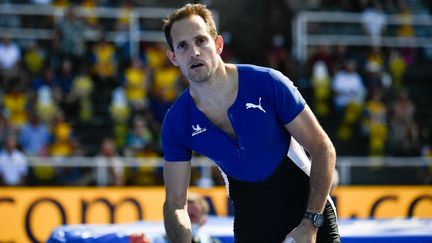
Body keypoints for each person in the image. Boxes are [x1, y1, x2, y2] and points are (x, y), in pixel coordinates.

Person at [161, 4, 340, 243]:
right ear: (173, 57)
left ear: (218, 45)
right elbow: (175, 204)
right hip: (252, 224)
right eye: (182, 46)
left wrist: (310, 223)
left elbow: (322, 147)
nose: (194, 52)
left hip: (308, 215)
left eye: (201, 41)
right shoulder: (177, 121)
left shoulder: (267, 83)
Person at [154, 193, 221, 243]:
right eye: (180, 217)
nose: (185, 220)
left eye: (191, 216)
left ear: (203, 220)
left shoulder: (213, 242)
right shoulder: (157, 241)